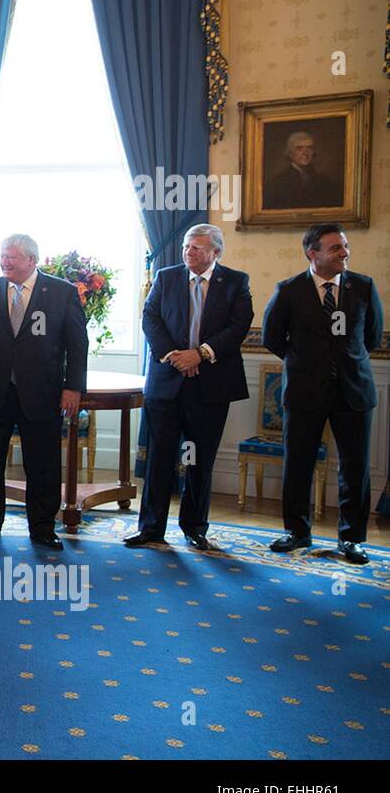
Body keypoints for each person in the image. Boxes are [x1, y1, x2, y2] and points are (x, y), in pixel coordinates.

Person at [0, 234, 88, 550]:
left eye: (11, 257)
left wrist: (73, 387)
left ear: (31, 261)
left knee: (43, 463)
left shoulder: (62, 293)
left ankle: (42, 527)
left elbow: (78, 345)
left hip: (43, 393)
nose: (4, 262)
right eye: (2, 256)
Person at [124, 224, 253, 551]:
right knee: (159, 458)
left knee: (198, 459)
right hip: (166, 383)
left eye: (196, 248)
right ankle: (151, 528)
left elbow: (239, 326)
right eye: (186, 246)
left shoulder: (235, 282)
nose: (188, 252)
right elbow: (150, 318)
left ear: (216, 252)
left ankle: (194, 527)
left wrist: (201, 354)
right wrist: (174, 356)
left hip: (210, 387)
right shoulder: (166, 277)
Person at [262, 223, 382, 564]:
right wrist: (304, 364)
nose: (344, 253)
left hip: (354, 390)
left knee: (355, 467)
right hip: (303, 392)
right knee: (298, 464)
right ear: (312, 254)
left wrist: (343, 364)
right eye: (335, 248)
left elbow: (372, 336)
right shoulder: (288, 290)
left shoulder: (363, 286)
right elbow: (272, 338)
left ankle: (352, 539)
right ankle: (297, 531)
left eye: (345, 246)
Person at [261, 131, 343, 209]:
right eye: (299, 148)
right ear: (289, 153)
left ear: (313, 152)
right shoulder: (276, 185)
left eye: (309, 148)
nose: (305, 153)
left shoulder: (327, 183)